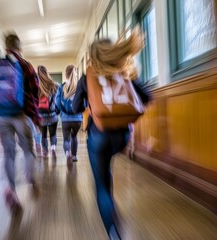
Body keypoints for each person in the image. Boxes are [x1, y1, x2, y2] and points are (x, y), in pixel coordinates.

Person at [72, 27, 151, 239]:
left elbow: (75, 108)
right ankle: (113, 209)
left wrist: (90, 101)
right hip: (123, 136)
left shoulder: (87, 77)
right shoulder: (125, 73)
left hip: (99, 136)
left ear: (93, 56)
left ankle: (113, 232)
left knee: (102, 185)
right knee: (108, 168)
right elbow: (146, 97)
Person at [0, 33, 40, 212]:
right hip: (21, 115)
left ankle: (11, 189)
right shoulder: (26, 66)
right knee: (28, 150)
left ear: (6, 45)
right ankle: (29, 176)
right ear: (19, 46)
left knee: (8, 153)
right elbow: (35, 91)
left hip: (1, 116)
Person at [56, 65, 83, 163]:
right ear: (75, 73)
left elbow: (58, 102)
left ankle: (68, 153)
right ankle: (75, 156)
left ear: (66, 74)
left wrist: (59, 111)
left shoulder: (62, 87)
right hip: (78, 118)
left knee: (66, 139)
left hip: (65, 119)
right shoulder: (80, 86)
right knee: (74, 136)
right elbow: (85, 102)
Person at [37, 65, 59, 157]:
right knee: (53, 133)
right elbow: (56, 100)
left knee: (44, 135)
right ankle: (53, 147)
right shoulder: (55, 85)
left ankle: (45, 150)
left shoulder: (36, 85)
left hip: (41, 115)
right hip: (52, 114)